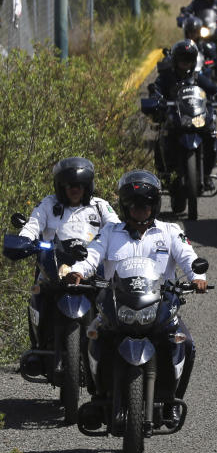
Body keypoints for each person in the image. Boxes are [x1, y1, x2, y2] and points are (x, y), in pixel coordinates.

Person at [64, 171, 207, 420]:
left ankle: (173, 400)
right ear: (125, 207)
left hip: (160, 306)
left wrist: (197, 277)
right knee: (91, 337)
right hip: (116, 305)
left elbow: (188, 256)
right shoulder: (109, 232)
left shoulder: (171, 231)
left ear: (154, 206)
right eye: (134, 206)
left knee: (187, 344)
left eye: (145, 206)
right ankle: (97, 396)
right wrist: (77, 271)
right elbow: (91, 255)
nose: (140, 210)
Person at [149, 39, 217, 190]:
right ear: (175, 60)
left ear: (194, 61)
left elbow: (213, 89)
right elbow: (156, 89)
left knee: (212, 135)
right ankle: (165, 174)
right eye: (182, 58)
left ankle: (207, 174)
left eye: (189, 59)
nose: (185, 62)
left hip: (196, 117)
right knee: (162, 136)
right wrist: (156, 98)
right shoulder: (166, 77)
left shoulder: (197, 78)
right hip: (174, 118)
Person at [19, 157, 120, 244]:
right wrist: (24, 239)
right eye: (70, 186)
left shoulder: (99, 206)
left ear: (86, 187)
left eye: (79, 185)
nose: (75, 190)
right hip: (52, 263)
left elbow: (116, 228)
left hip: (92, 262)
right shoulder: (48, 204)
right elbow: (32, 226)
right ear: (62, 188)